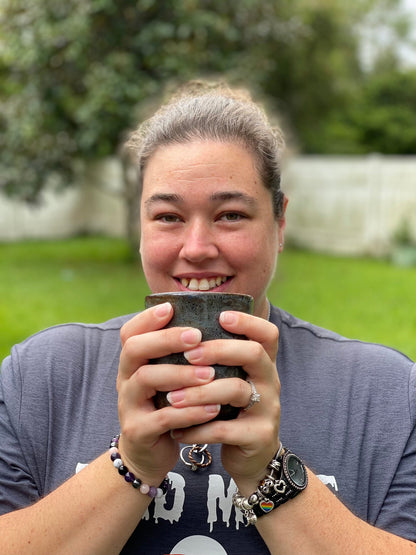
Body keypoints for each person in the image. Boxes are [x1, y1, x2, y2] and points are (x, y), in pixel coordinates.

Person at [0, 80, 415, 555]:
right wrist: (130, 464)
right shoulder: (41, 376)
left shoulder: (387, 396)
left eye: (231, 215)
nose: (196, 249)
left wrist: (268, 474)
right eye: (168, 217)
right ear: (140, 226)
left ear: (279, 224)